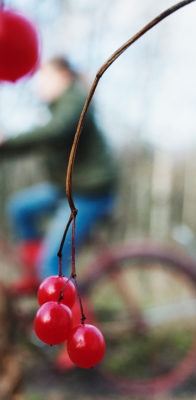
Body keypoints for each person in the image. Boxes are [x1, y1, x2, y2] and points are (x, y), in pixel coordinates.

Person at [0, 56, 118, 295]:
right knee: (19, 208)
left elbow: (55, 132)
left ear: (64, 76)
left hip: (90, 192)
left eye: (45, 78)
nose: (39, 85)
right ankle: (37, 277)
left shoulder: (74, 99)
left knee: (53, 262)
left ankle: (61, 326)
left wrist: (7, 143)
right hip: (68, 188)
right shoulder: (60, 106)